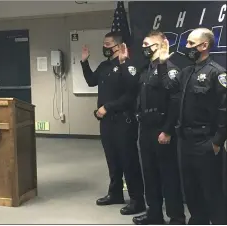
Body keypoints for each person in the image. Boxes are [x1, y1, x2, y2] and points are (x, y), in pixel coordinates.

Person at [159, 27, 227, 224]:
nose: (186, 47)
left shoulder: (217, 74)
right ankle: (198, 221)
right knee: (191, 190)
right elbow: (167, 87)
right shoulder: (186, 72)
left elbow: (225, 110)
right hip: (185, 141)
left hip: (206, 142)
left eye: (190, 43)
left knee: (212, 191)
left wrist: (217, 141)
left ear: (204, 45)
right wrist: (162, 63)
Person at [80, 31, 145, 215]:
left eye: (108, 44)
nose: (105, 48)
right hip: (107, 122)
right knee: (113, 160)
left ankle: (137, 200)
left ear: (119, 46)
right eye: (104, 44)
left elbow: (131, 94)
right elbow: (91, 81)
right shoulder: (104, 66)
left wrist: (107, 107)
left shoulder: (129, 66)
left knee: (129, 161)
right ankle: (115, 193)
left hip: (124, 121)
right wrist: (84, 62)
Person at [132, 30, 185, 225]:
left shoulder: (169, 69)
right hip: (145, 129)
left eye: (148, 45)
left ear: (161, 46)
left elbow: (175, 101)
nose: (144, 48)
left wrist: (168, 130)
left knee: (168, 175)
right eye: (143, 45)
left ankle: (176, 216)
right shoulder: (146, 69)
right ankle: (154, 213)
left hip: (162, 129)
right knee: (150, 174)